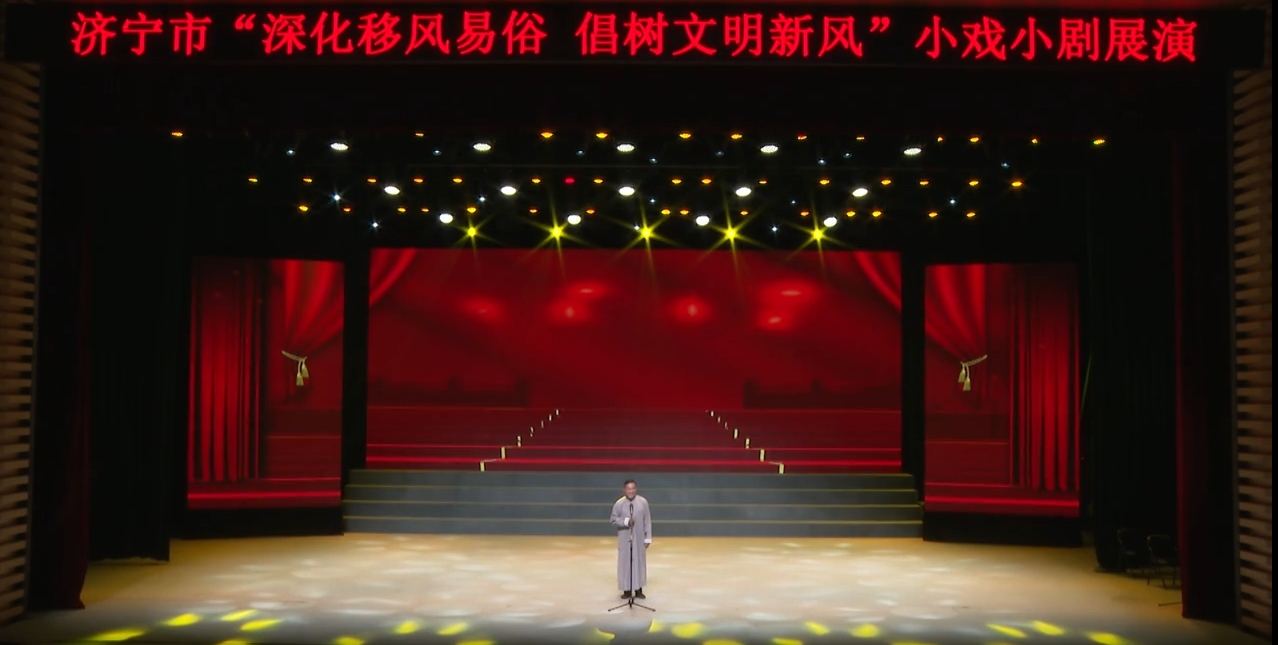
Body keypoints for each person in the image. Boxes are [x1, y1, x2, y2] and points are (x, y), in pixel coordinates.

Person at [609, 479, 652, 599]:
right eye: (628, 489)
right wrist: (625, 521)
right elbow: (613, 520)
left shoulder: (643, 502)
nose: (631, 491)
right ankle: (626, 590)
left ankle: (638, 589)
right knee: (625, 564)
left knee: (639, 562)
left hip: (639, 538)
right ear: (624, 490)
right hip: (624, 539)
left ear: (636, 489)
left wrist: (647, 538)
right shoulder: (619, 504)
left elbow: (647, 520)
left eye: (633, 488)